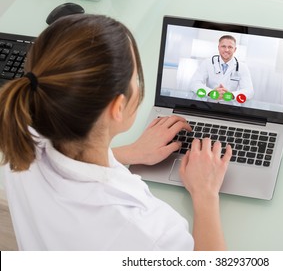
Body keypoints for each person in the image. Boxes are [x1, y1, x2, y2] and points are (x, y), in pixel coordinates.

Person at [0, 14, 232, 251]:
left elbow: (65, 164)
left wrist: (128, 153)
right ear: (118, 107)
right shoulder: (148, 232)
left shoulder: (18, 136)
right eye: (135, 79)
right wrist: (205, 195)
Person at [191, 35, 254, 103]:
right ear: (218, 47)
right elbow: (194, 84)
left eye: (230, 47)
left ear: (235, 49)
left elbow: (249, 91)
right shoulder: (207, 63)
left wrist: (231, 95)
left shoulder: (242, 67)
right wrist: (211, 93)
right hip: (209, 103)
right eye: (223, 46)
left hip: (229, 106)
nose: (226, 50)